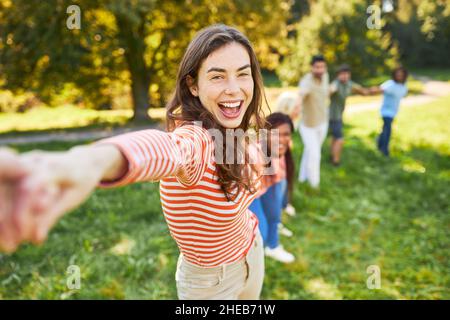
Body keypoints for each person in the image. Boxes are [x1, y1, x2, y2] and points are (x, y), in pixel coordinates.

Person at [0, 24, 276, 300]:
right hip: (210, 283)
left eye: (243, 74)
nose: (233, 88)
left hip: (251, 248)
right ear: (193, 85)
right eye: (217, 77)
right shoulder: (196, 141)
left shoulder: (233, 131)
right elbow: (166, 148)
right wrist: (90, 161)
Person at [249, 112, 296, 263]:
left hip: (272, 182)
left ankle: (273, 245)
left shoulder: (283, 149)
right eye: (276, 134)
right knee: (259, 231)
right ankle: (253, 259)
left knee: (275, 216)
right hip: (252, 193)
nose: (282, 139)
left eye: (286, 134)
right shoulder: (255, 153)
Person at [291, 54, 329, 188]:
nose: (320, 70)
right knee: (315, 155)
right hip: (308, 126)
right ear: (312, 68)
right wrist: (297, 106)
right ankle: (314, 185)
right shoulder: (306, 81)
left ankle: (302, 177)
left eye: (322, 67)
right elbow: (301, 94)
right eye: (317, 67)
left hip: (323, 122)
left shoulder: (325, 77)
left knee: (310, 151)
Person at [328, 64, 371, 166]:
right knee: (339, 138)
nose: (344, 76)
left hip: (339, 115)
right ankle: (335, 161)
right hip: (333, 116)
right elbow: (331, 89)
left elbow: (361, 90)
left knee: (335, 137)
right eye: (342, 74)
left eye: (346, 74)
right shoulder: (336, 84)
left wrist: (372, 91)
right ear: (338, 75)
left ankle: (332, 155)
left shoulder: (349, 83)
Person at [372, 67, 409, 157]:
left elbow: (403, 94)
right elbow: (380, 89)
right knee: (388, 130)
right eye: (397, 74)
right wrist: (368, 91)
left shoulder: (403, 86)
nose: (399, 76)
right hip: (385, 111)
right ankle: (384, 150)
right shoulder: (390, 84)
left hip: (394, 111)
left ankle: (379, 142)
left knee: (385, 128)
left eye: (401, 74)